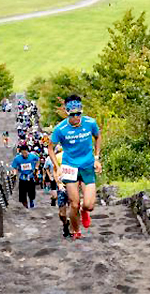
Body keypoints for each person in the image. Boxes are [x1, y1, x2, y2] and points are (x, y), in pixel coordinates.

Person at [48, 94, 102, 239]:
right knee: (74, 203)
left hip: (87, 165)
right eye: (73, 115)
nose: (76, 118)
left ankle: (85, 212)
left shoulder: (90, 123)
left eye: (79, 114)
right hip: (69, 166)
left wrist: (97, 158)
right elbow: (51, 148)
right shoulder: (60, 129)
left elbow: (98, 137)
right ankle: (76, 230)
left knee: (89, 205)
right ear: (67, 113)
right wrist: (57, 166)